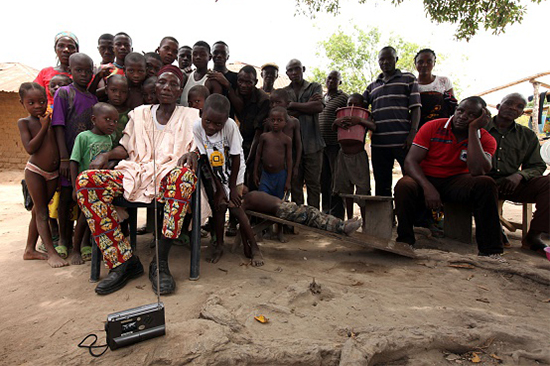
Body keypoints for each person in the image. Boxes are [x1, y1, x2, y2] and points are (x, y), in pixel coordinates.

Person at [76, 65, 204, 295]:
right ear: (155, 87)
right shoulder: (140, 113)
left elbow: (197, 149)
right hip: (135, 171)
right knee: (87, 182)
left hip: (169, 174)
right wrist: (106, 154)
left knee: (184, 178)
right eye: (162, 83)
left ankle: (160, 263)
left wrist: (193, 154)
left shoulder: (191, 116)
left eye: (173, 84)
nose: (167, 87)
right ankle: (122, 261)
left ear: (180, 91)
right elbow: (125, 148)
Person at [394, 97, 506, 262]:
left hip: (457, 181)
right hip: (426, 178)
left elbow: (478, 170)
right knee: (404, 185)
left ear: (482, 118)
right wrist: (427, 187)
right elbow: (410, 161)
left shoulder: (485, 138)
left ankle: (491, 251)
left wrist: (473, 130)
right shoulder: (433, 126)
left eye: (471, 114)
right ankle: (404, 241)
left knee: (486, 183)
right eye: (460, 111)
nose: (462, 116)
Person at [193, 94, 263, 267]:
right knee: (219, 208)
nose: (211, 127)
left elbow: (236, 157)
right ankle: (219, 245)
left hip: (234, 173)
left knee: (236, 208)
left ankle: (254, 248)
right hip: (214, 174)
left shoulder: (231, 126)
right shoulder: (196, 127)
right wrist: (219, 190)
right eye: (208, 121)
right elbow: (204, 160)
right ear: (202, 113)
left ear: (226, 120)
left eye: (218, 124)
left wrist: (232, 188)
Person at [484, 93, 549, 256]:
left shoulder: (527, 135)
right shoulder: (480, 128)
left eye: (519, 106)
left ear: (522, 113)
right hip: (481, 182)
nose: (513, 108)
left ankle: (533, 236)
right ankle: (494, 229)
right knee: (484, 184)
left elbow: (537, 165)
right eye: (509, 103)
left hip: (512, 184)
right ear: (498, 107)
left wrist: (519, 176)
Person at [52, 53, 98, 258]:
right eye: (78, 70)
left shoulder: (93, 99)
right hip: (67, 155)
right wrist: (63, 157)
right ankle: (63, 239)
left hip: (86, 159)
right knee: (65, 197)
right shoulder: (63, 93)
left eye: (88, 70)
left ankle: (83, 241)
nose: (83, 74)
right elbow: (58, 126)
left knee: (83, 199)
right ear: (69, 70)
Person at [17, 82, 67, 268]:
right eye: (31, 102)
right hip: (36, 172)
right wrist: (44, 127)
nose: (38, 106)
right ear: (22, 102)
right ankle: (51, 252)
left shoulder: (52, 119)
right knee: (42, 211)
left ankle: (29, 249)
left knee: (38, 211)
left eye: (42, 101)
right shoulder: (25, 123)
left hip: (53, 174)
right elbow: (30, 148)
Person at [363, 46, 421, 197]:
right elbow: (359, 106)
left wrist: (413, 134)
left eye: (389, 58)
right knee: (382, 186)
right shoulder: (372, 87)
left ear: (396, 59)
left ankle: (413, 219)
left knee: (411, 182)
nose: (385, 62)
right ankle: (385, 220)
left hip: (403, 142)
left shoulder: (408, 79)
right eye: (381, 59)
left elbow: (415, 108)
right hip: (379, 144)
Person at [69, 103, 117, 265]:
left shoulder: (110, 139)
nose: (112, 124)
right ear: (94, 120)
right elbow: (74, 162)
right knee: (82, 219)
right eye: (108, 119)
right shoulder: (84, 137)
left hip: (100, 188)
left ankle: (87, 245)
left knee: (97, 218)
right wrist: (76, 187)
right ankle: (76, 250)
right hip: (85, 187)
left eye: (115, 121)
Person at [283, 59, 324, 208]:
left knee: (313, 184)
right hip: (292, 147)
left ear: (303, 69)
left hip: (313, 144)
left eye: (297, 69)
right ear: (287, 73)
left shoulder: (315, 87)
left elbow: (318, 107)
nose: (294, 73)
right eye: (290, 70)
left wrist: (293, 105)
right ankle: (299, 221)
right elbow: (284, 115)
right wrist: (307, 106)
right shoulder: (284, 92)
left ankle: (313, 220)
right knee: (295, 184)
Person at [333, 93, 376, 224]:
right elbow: (334, 127)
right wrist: (336, 122)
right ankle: (350, 219)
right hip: (343, 156)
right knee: (345, 190)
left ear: (362, 106)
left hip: (358, 157)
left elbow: (374, 127)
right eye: (349, 104)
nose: (352, 107)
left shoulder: (364, 116)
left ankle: (365, 221)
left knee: (363, 189)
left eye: (355, 104)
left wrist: (360, 121)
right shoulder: (342, 116)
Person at [242, 191, 361, 236]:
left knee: (313, 212)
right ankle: (342, 228)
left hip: (286, 207)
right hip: (284, 211)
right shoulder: (245, 201)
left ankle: (341, 223)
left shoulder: (249, 195)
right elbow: (243, 220)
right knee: (313, 217)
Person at [319, 70, 347, 218]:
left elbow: (349, 117)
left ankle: (337, 215)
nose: (331, 81)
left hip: (335, 145)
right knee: (324, 180)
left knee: (336, 180)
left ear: (340, 82)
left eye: (335, 79)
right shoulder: (322, 98)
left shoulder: (344, 98)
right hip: (321, 146)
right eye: (329, 78)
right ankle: (325, 211)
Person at [254, 106, 293, 199]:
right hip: (266, 175)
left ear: (285, 123)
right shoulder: (264, 137)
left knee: (278, 202)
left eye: (279, 120)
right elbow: (258, 155)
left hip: (280, 175)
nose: (275, 123)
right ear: (268, 121)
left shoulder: (287, 140)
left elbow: (289, 160)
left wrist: (288, 180)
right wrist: (255, 173)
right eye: (273, 120)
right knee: (263, 199)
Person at [34, 31, 79, 106]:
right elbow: (34, 95)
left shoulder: (84, 74)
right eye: (61, 46)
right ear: (55, 49)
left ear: (77, 50)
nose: (66, 50)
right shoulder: (45, 72)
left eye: (71, 47)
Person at [414, 48, 456, 128]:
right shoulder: (412, 85)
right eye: (421, 62)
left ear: (434, 63)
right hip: (420, 128)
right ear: (415, 64)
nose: (424, 65)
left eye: (429, 61)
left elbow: (452, 105)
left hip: (442, 126)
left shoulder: (444, 81)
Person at [179, 41, 222, 106]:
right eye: (195, 54)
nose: (198, 57)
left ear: (210, 57)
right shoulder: (186, 77)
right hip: (182, 115)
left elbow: (215, 107)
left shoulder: (213, 81)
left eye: (202, 54)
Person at [207, 41, 241, 118]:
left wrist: (227, 85)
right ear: (211, 55)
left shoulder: (236, 77)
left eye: (223, 53)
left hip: (228, 122)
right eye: (216, 52)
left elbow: (240, 107)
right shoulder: (206, 76)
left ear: (228, 56)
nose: (219, 56)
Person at [105, 74, 130, 145]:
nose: (118, 94)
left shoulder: (130, 114)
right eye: (113, 90)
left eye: (123, 92)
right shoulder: (100, 111)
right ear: (106, 90)